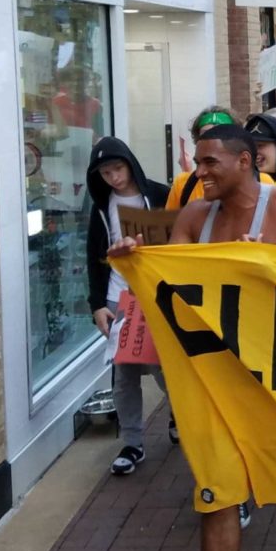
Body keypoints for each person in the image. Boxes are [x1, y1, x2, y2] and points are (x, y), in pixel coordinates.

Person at [108, 126, 276, 551]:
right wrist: (135, 259)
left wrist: (273, 271)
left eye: (210, 163)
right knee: (217, 492)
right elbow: (171, 289)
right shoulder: (192, 217)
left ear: (247, 161)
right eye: (197, 163)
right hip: (212, 381)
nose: (198, 172)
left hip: (275, 384)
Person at [84, 137, 175, 465]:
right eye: (106, 173)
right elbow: (94, 256)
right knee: (123, 374)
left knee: (164, 367)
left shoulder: (159, 195)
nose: (114, 177)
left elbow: (178, 242)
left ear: (130, 164)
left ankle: (179, 414)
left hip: (156, 294)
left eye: (117, 168)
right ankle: (133, 442)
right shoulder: (102, 207)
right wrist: (97, 304)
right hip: (118, 297)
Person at [169, 107, 274, 208]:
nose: (213, 141)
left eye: (221, 135)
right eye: (205, 135)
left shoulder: (262, 183)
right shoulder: (182, 185)